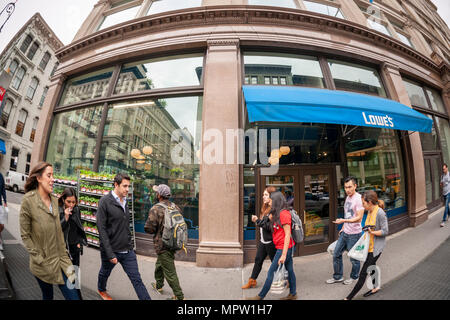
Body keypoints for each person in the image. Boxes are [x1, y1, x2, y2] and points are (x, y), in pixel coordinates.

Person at [19, 162, 79, 300]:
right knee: (48, 296)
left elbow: (58, 231)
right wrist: (39, 258)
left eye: (53, 175)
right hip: (42, 264)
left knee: (74, 295)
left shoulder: (54, 200)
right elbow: (25, 235)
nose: (53, 179)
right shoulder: (28, 201)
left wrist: (66, 255)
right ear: (39, 178)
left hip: (63, 260)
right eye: (49, 175)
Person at [97, 173, 151, 300]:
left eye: (129, 186)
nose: (127, 189)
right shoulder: (105, 201)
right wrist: (110, 253)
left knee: (137, 279)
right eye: (125, 186)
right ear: (116, 185)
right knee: (105, 272)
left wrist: (131, 245)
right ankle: (101, 289)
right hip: (111, 250)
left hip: (127, 251)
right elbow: (101, 228)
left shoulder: (125, 201)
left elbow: (125, 226)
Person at [247, 191, 297, 300]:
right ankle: (293, 294)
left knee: (271, 272)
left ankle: (260, 297)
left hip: (284, 248)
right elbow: (266, 223)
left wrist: (283, 254)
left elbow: (288, 234)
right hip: (282, 246)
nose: (270, 203)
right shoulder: (275, 213)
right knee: (290, 271)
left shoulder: (284, 214)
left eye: (272, 201)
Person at [345, 191, 388, 300]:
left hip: (376, 248)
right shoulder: (369, 211)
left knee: (363, 273)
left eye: (363, 203)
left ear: (369, 202)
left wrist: (372, 232)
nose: (362, 205)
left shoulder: (380, 213)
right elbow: (369, 226)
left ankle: (348, 298)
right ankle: (375, 287)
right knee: (372, 265)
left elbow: (385, 231)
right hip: (368, 246)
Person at [145, 184, 184, 300]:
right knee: (160, 263)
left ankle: (180, 296)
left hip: (162, 244)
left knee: (170, 272)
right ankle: (159, 285)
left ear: (159, 195)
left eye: (157, 192)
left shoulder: (155, 209)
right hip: (174, 242)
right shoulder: (175, 207)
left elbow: (149, 229)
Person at [327, 177, 364, 286]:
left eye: (349, 187)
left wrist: (344, 221)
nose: (347, 190)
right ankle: (338, 277)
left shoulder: (359, 199)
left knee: (353, 258)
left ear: (355, 186)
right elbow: (348, 214)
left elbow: (359, 218)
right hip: (345, 232)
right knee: (336, 253)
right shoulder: (348, 198)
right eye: (345, 187)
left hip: (354, 234)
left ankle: (354, 277)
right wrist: (343, 227)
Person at [242, 186, 277, 289]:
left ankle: (286, 279)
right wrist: (258, 221)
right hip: (263, 241)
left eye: (266, 195)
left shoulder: (274, 210)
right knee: (258, 260)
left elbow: (269, 227)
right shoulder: (265, 208)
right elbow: (263, 224)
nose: (263, 197)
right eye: (263, 195)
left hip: (271, 242)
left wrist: (257, 221)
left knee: (275, 263)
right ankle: (252, 280)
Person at [59, 188, 87, 267]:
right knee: (65, 271)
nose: (71, 205)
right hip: (64, 247)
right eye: (68, 202)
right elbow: (57, 229)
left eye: (73, 202)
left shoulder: (76, 209)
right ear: (63, 199)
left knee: (75, 269)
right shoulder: (59, 210)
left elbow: (79, 226)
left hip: (75, 245)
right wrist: (65, 217)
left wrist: (79, 243)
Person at [0, 172, 7, 251]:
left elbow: (3, 191)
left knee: (2, 225)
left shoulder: (1, 176)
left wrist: (5, 202)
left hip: (0, 204)